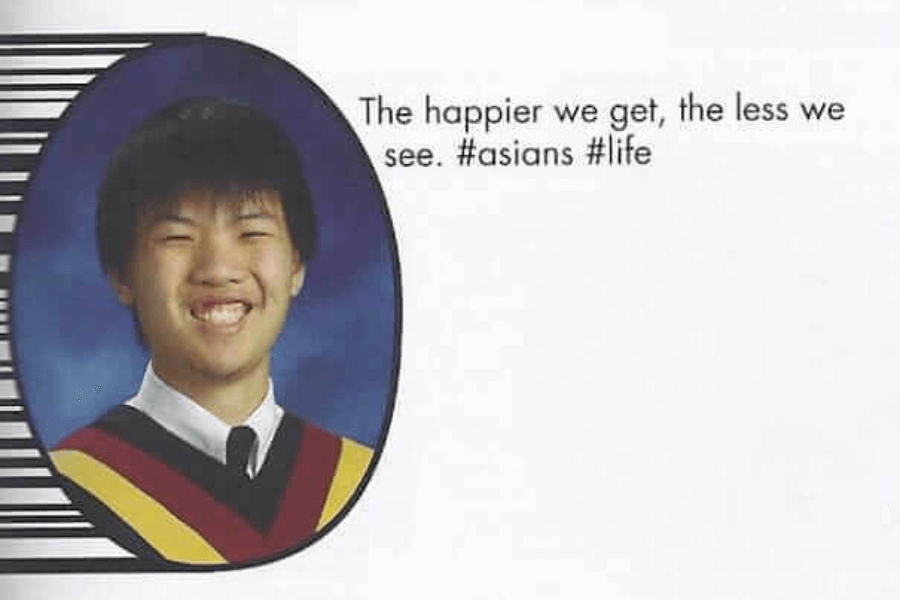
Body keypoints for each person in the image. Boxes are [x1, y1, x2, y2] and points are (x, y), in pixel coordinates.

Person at [48, 97, 372, 565]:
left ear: (297, 265)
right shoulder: (70, 489)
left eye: (252, 232)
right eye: (178, 237)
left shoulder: (353, 479)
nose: (219, 270)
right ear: (122, 275)